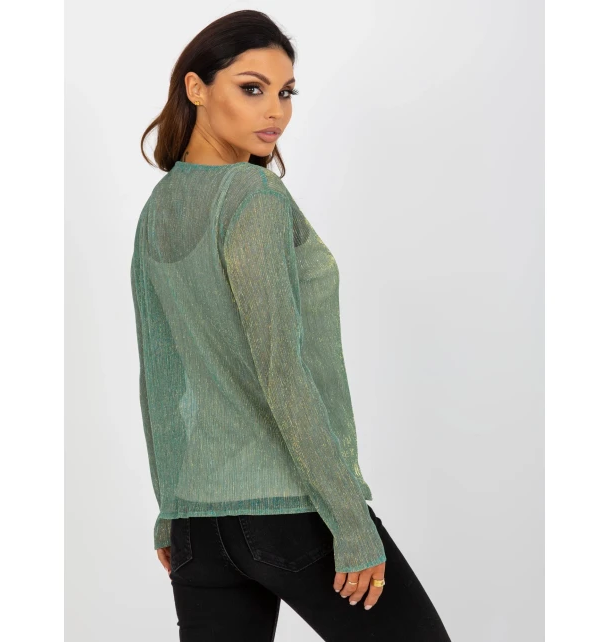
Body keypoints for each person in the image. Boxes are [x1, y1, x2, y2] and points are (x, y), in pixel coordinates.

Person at [131, 9, 453, 641]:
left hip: (198, 525)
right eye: (252, 88)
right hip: (290, 512)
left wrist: (172, 509)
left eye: (285, 93)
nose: (274, 111)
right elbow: (284, 371)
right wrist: (351, 522)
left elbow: (160, 377)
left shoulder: (158, 208)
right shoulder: (252, 197)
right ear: (196, 88)